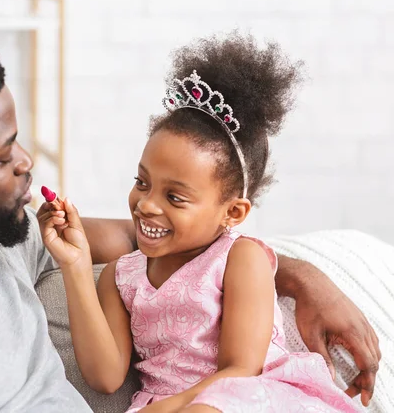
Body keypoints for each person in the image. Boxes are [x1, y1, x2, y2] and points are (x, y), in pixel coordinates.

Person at [0, 33, 379, 412]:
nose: (28, 164)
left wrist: (302, 278)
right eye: (3, 157)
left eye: (16, 141)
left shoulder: (2, 235)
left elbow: (167, 245)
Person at [37, 33, 377, 413]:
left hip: (241, 398)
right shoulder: (120, 277)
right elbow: (105, 376)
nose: (146, 205)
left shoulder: (241, 258)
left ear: (232, 213)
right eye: (142, 182)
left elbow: (241, 369)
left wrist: (165, 410)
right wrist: (75, 267)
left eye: (175, 197)